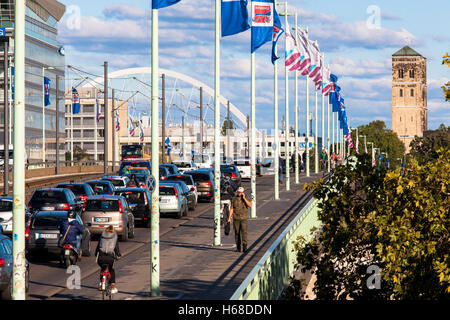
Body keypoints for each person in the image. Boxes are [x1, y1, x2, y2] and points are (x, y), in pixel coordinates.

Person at [96, 225, 121, 294]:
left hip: (101, 257)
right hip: (110, 257)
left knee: (102, 268)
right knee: (111, 269)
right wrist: (119, 255)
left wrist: (96, 254)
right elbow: (116, 248)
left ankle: (101, 283)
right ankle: (113, 287)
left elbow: (98, 246)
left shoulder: (102, 236)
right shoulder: (115, 236)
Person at [228, 187, 252, 253]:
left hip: (244, 218)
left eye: (241, 192)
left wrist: (244, 198)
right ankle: (238, 247)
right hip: (236, 218)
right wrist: (229, 218)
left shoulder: (246, 197)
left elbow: (250, 205)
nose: (239, 193)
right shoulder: (234, 199)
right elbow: (232, 209)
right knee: (237, 233)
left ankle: (245, 246)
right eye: (238, 192)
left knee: (244, 232)